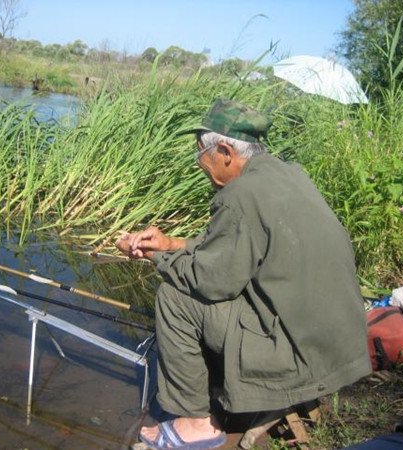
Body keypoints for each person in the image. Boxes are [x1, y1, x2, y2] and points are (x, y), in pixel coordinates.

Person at [116, 98, 372, 450]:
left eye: (200, 155)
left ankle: (195, 425)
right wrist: (172, 243)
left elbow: (211, 281)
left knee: (175, 298)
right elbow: (233, 247)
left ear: (224, 150)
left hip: (300, 356)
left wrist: (158, 258)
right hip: (339, 350)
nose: (200, 165)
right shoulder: (289, 174)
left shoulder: (240, 195)